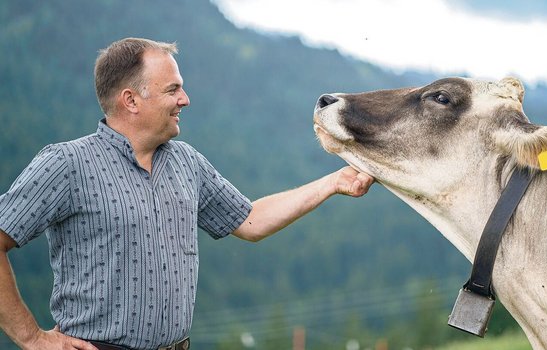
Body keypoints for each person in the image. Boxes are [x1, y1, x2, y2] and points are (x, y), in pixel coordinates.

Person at [0, 38, 374, 350]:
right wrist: (32, 338)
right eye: (173, 89)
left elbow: (251, 220)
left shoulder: (186, 162)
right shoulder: (67, 163)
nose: (185, 99)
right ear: (131, 100)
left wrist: (333, 183)